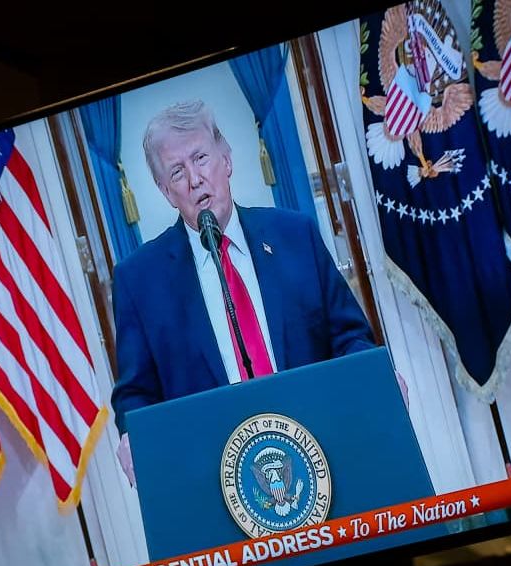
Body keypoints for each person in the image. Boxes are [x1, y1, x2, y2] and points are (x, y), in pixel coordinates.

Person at [111, 100, 379, 486]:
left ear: (226, 159)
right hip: (215, 476)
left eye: (201, 158)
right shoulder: (140, 280)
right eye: (177, 172)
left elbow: (350, 336)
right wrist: (133, 435)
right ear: (166, 191)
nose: (195, 179)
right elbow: (135, 393)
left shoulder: (295, 236)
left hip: (324, 448)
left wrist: (372, 375)